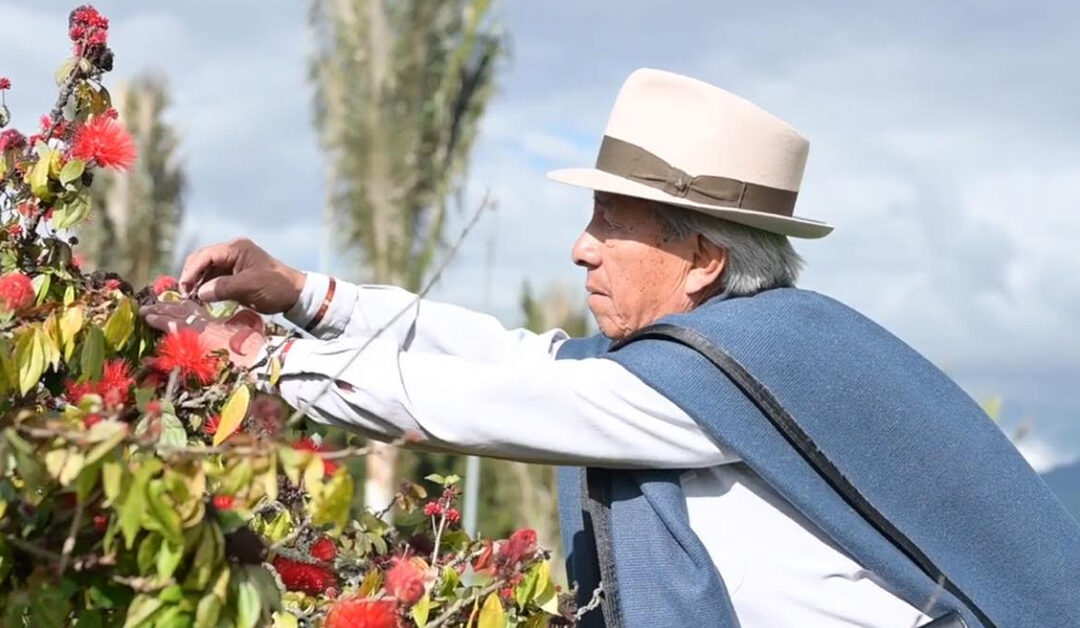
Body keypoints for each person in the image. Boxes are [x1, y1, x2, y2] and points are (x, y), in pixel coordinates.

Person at [142, 69, 1080, 628]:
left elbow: (490, 401)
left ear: (703, 258)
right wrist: (307, 296)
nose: (581, 248)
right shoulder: (738, 355)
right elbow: (520, 361)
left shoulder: (719, 378)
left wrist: (253, 357)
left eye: (610, 223)